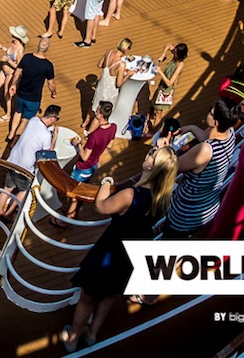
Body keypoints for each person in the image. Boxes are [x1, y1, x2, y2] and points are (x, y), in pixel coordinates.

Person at [63, 148, 178, 350]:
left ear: (152, 166)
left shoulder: (130, 194)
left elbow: (101, 206)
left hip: (110, 251)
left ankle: (73, 338)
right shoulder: (162, 197)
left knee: (88, 297)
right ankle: (91, 334)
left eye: (152, 153)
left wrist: (106, 183)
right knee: (108, 296)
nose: (148, 153)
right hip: (130, 254)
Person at [163, 99, 241, 237]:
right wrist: (192, 128)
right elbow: (210, 140)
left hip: (185, 214)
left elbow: (172, 166)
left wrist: (165, 146)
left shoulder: (204, 151)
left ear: (216, 122)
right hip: (208, 205)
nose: (208, 113)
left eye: (211, 113)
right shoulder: (229, 133)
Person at [6, 46, 57, 145]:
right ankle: (14, 142)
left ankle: (11, 133)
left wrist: (13, 85)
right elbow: (51, 84)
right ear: (47, 49)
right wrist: (53, 92)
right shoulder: (48, 65)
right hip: (33, 98)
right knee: (25, 120)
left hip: (20, 94)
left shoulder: (27, 57)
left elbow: (17, 73)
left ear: (38, 47)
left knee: (17, 112)